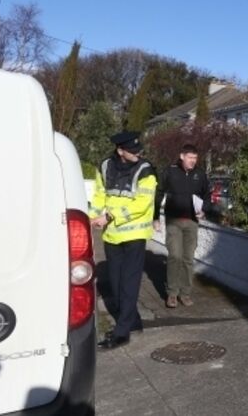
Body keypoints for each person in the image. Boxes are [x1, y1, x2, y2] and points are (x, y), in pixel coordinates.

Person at [89, 131, 157, 349]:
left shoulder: (146, 170)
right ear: (120, 151)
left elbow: (142, 203)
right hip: (112, 235)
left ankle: (122, 332)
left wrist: (110, 216)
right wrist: (92, 216)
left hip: (135, 235)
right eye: (133, 150)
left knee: (129, 283)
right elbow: (99, 195)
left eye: (139, 149)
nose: (139, 153)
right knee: (116, 283)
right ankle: (132, 321)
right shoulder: (105, 166)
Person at [154, 144, 210, 308]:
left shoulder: (200, 174)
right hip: (173, 221)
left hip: (192, 222)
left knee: (188, 259)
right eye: (190, 157)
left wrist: (204, 210)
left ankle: (185, 294)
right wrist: (155, 217)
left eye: (195, 158)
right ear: (182, 156)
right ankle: (172, 293)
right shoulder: (170, 172)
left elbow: (207, 195)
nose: (193, 161)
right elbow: (159, 193)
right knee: (175, 256)